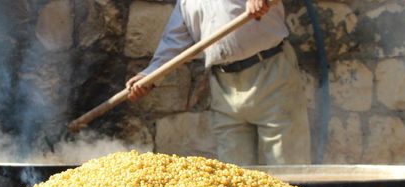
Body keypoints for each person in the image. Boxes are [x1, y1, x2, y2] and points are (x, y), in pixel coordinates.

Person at [126, 0, 311, 166]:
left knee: (287, 164)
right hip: (224, 86)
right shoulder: (186, 3)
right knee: (236, 172)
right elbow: (174, 41)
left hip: (270, 73)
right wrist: (150, 76)